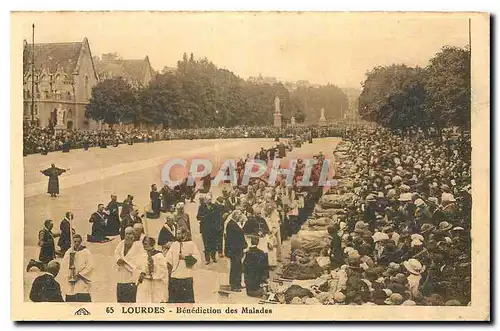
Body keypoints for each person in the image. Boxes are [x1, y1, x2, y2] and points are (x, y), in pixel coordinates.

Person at [165, 229, 202, 303]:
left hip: (186, 276)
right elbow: (168, 259)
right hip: (175, 276)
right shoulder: (175, 244)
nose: (177, 235)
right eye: (177, 233)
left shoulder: (191, 244)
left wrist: (185, 258)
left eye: (179, 234)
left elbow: (198, 260)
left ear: (184, 235)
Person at [114, 227, 144, 303]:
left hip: (132, 278)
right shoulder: (121, 243)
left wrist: (125, 262)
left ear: (134, 235)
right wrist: (118, 260)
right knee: (121, 302)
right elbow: (116, 253)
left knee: (131, 301)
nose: (128, 236)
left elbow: (139, 260)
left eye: (130, 234)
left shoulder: (138, 245)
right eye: (126, 234)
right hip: (121, 277)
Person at [61, 234, 93, 302]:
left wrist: (79, 275)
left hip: (81, 280)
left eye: (78, 242)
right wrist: (69, 274)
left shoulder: (86, 252)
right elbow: (64, 265)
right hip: (70, 280)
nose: (77, 243)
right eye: (75, 241)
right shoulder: (69, 252)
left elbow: (90, 266)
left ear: (81, 242)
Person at [136, 237, 168, 303]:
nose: (144, 245)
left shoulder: (159, 256)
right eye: (143, 244)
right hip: (144, 285)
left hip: (156, 284)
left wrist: (153, 267)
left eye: (146, 243)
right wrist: (141, 273)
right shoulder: (142, 255)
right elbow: (137, 268)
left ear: (151, 244)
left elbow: (163, 271)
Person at [225, 211, 247, 292]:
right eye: (239, 215)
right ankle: (234, 285)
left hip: (236, 250)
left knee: (237, 267)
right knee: (235, 268)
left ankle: (237, 283)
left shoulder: (233, 224)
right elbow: (236, 238)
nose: (240, 217)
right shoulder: (232, 225)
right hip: (235, 250)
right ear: (236, 216)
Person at [197, 194, 219, 264]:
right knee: (206, 245)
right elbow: (198, 217)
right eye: (208, 200)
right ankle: (207, 259)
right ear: (205, 200)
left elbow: (217, 216)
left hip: (213, 229)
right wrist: (204, 217)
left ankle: (213, 257)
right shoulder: (201, 207)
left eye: (210, 200)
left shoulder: (214, 206)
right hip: (205, 229)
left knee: (214, 244)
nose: (209, 201)